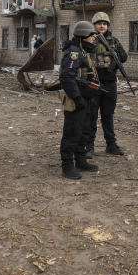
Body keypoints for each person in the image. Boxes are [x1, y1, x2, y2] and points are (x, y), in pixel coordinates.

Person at [58, 21, 101, 180]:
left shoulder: (84, 53)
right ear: (83, 36)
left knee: (84, 131)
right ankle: (67, 165)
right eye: (92, 36)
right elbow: (67, 78)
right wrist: (77, 98)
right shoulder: (74, 53)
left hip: (86, 98)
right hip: (76, 100)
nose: (94, 39)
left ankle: (81, 160)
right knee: (72, 132)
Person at [84, 12, 128, 156]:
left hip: (109, 84)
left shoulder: (113, 41)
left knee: (108, 116)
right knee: (91, 116)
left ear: (107, 25)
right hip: (93, 84)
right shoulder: (89, 40)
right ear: (94, 25)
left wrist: (114, 52)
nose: (102, 26)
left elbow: (124, 57)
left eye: (104, 24)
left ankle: (111, 145)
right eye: (99, 23)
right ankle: (89, 146)